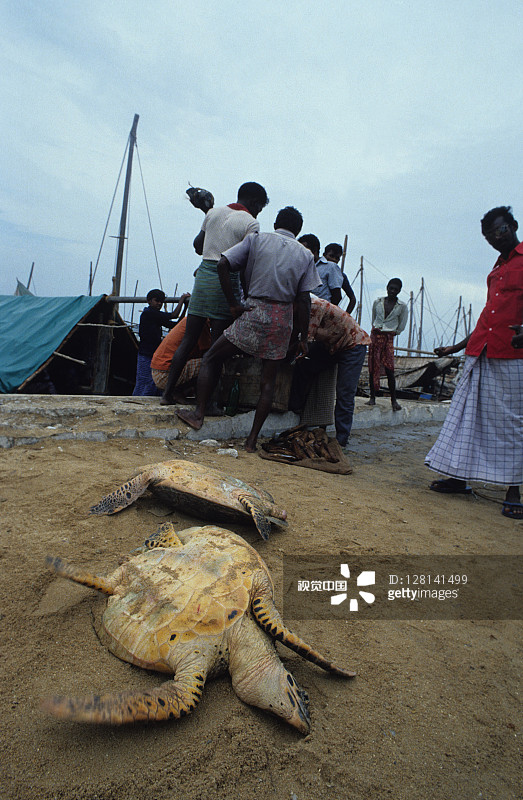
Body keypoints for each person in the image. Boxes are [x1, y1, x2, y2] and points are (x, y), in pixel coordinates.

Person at [176, 206, 321, 452]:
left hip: (255, 310)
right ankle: (251, 441)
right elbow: (304, 300)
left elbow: (223, 264)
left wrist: (233, 303)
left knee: (211, 357)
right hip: (282, 318)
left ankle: (198, 414)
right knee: (268, 381)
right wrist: (303, 337)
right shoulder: (305, 255)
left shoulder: (257, 239)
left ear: (275, 223)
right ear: (298, 230)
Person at [426, 205, 523, 519]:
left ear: (513, 226)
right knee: (467, 415)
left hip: (512, 354)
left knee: (512, 423)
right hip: (480, 351)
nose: (496, 237)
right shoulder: (495, 271)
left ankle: (513, 490)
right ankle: (458, 477)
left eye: (501, 230)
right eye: (489, 236)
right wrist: (454, 347)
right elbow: (487, 318)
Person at [160, 181, 269, 405]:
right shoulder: (251, 223)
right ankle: (209, 402)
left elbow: (198, 246)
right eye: (260, 207)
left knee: (188, 340)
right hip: (226, 281)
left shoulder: (213, 213)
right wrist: (240, 298)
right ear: (255, 202)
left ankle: (167, 394)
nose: (259, 211)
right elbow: (245, 262)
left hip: (203, 277)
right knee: (217, 348)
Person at [289, 296, 371, 448]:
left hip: (353, 345)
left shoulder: (313, 307)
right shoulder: (299, 309)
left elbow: (305, 341)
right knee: (304, 366)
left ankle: (341, 439)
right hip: (332, 344)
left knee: (345, 393)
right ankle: (296, 406)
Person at [132, 289, 190, 396]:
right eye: (156, 301)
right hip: (146, 354)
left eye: (161, 302)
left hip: (154, 354)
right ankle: (140, 400)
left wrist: (185, 307)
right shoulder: (149, 313)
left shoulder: (156, 316)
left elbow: (176, 325)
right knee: (145, 381)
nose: (159, 303)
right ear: (149, 301)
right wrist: (182, 300)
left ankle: (148, 400)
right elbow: (174, 315)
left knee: (153, 382)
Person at [366, 278, 408, 411]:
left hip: (388, 337)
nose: (393, 291)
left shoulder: (402, 306)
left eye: (396, 289)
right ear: (387, 288)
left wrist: (392, 332)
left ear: (399, 291)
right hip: (376, 336)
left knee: (389, 368)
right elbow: (374, 319)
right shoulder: (377, 302)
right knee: (373, 366)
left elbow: (402, 325)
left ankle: (393, 400)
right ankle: (372, 397)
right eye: (391, 288)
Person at [150, 316, 212, 401]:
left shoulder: (189, 319)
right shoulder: (201, 322)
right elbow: (208, 353)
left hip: (158, 372)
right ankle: (179, 392)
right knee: (213, 364)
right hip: (165, 375)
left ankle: (176, 392)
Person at [299, 234, 344, 305]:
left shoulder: (330, 267)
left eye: (304, 250)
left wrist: (326, 310)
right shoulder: (301, 268)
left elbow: (337, 296)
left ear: (314, 250)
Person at [323, 242, 357, 313]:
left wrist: (345, 316)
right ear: (324, 255)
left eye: (337, 258)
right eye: (331, 256)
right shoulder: (317, 270)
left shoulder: (341, 276)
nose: (334, 260)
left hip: (327, 311)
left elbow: (352, 299)